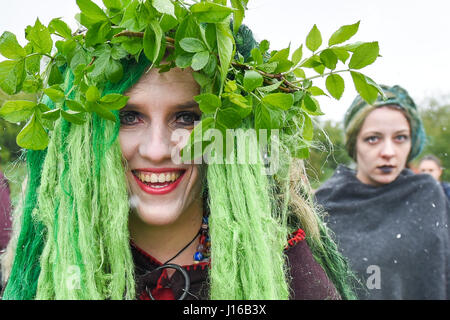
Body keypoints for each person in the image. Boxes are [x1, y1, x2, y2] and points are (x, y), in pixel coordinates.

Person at [0, 1, 361, 300]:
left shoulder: (284, 269)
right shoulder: (57, 262)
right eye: (128, 117)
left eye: (187, 117)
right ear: (82, 135)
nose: (157, 150)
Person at [315, 85, 450, 299]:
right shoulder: (326, 204)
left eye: (400, 138)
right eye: (373, 139)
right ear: (354, 143)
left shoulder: (426, 194)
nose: (388, 152)